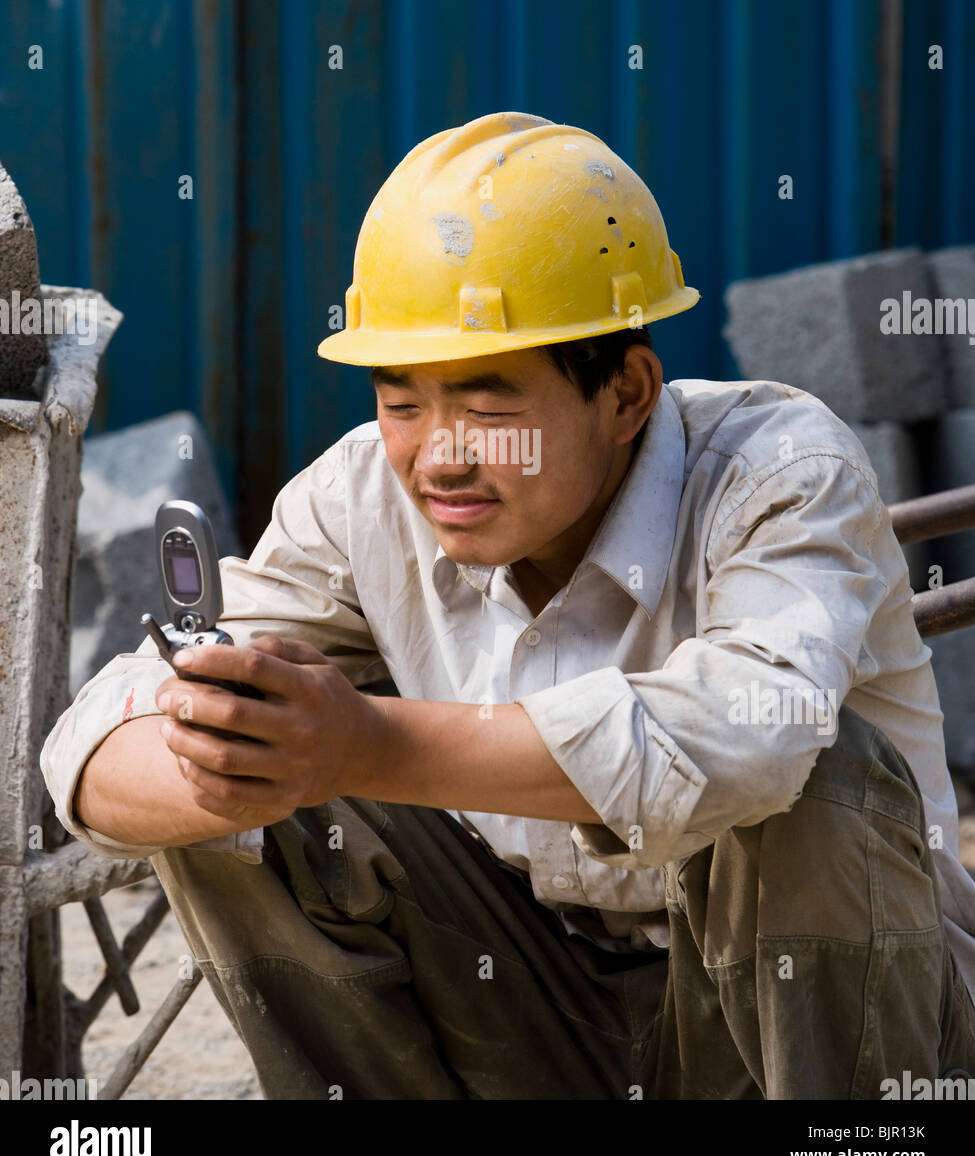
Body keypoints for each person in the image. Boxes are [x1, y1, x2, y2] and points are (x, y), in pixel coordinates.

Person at [42, 111, 975, 1100]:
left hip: (823, 1035)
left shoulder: (777, 465)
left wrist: (367, 744)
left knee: (808, 775)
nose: (439, 456)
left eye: (489, 409)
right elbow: (91, 742)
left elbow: (754, 737)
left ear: (627, 394)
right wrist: (216, 746)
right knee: (236, 773)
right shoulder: (360, 495)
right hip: (545, 1019)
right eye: (402, 403)